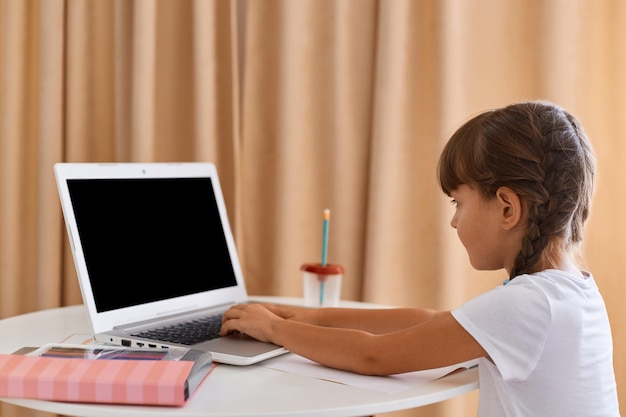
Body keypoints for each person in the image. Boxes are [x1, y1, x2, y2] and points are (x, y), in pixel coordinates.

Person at [221, 101, 620, 416]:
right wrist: (310, 317)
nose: (453, 220)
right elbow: (432, 323)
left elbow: (373, 355)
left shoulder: (529, 304)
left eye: (458, 202)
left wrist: (275, 330)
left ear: (506, 208)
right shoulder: (569, 291)